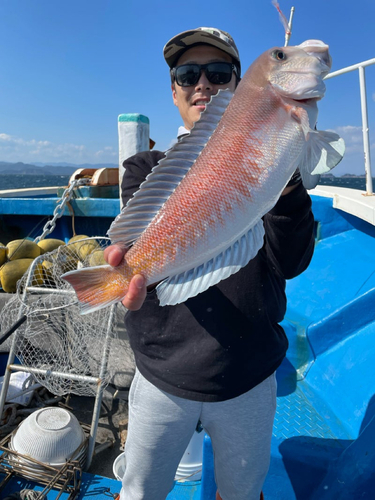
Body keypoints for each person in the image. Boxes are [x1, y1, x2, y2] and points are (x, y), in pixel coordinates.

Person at [105, 27, 315, 500]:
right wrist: (130, 267)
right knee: (140, 492)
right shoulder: (144, 167)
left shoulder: (276, 159)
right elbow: (141, 248)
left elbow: (292, 260)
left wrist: (280, 175)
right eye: (187, 74)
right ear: (174, 90)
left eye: (219, 74)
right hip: (163, 373)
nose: (202, 84)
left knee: (241, 493)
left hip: (248, 374)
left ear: (241, 86)